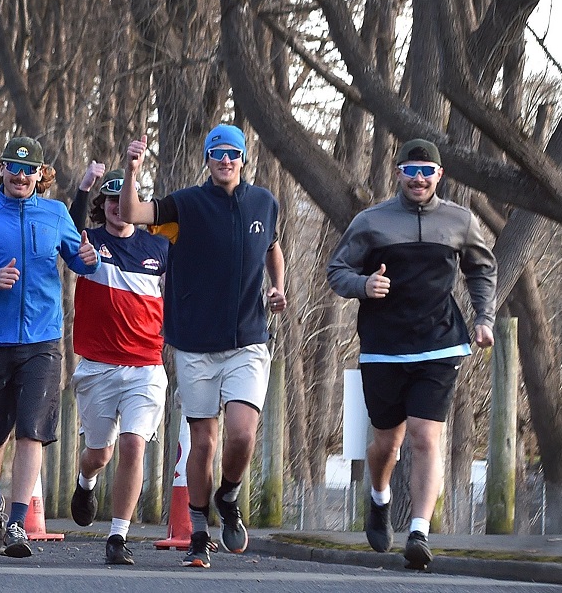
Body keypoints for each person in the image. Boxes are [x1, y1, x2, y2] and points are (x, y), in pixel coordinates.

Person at [118, 126, 285, 568]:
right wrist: (133, 169)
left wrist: (278, 287)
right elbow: (132, 211)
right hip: (194, 343)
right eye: (217, 153)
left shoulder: (264, 202)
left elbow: (272, 246)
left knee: (243, 432)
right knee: (202, 442)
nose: (225, 160)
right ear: (207, 158)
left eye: (232, 153)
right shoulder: (185, 204)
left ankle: (227, 494)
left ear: (243, 159)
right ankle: (198, 526)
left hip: (248, 338)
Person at [326, 139, 495, 571]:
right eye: (411, 169)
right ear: (398, 172)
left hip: (440, 342)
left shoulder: (459, 220)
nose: (419, 178)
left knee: (425, 434)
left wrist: (483, 317)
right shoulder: (371, 221)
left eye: (428, 170)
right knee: (388, 440)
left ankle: (418, 531)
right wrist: (363, 286)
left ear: (439, 176)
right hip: (384, 346)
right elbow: (337, 270)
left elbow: (480, 266)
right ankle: (379, 498)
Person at [0, 137, 100, 559]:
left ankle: (16, 522)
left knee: (33, 429)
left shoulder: (55, 215)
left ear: (40, 175)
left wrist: (90, 258)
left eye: (28, 170)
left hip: (43, 341)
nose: (21, 176)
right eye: (13, 169)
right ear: (2, 171)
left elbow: (79, 261)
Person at [63, 168, 171, 565]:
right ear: (102, 206)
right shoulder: (88, 241)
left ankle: (117, 537)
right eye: (109, 200)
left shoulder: (159, 248)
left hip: (145, 365)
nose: (116, 207)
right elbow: (65, 236)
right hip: (98, 366)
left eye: (122, 199)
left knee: (133, 444)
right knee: (99, 453)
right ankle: (85, 481)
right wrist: (82, 187)